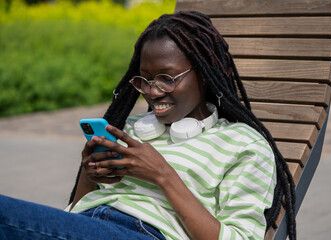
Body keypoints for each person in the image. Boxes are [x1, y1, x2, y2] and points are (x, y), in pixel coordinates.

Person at [0, 11, 296, 240]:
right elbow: (76, 210)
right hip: (88, 224)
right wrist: (90, 174)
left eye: (167, 78)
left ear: (204, 74)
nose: (153, 92)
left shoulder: (243, 144)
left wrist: (162, 175)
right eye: (145, 80)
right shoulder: (132, 128)